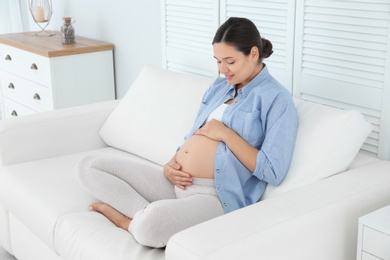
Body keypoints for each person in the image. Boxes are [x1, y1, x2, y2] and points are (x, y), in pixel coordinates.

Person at [76, 17, 298, 248]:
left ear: (253, 54)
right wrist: (171, 164)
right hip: (178, 182)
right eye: (218, 61)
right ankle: (147, 214)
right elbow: (193, 135)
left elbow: (273, 171)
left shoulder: (276, 99)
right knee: (88, 166)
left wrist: (225, 134)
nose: (222, 70)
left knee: (151, 227)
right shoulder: (219, 87)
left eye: (230, 61)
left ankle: (129, 221)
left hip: (215, 197)